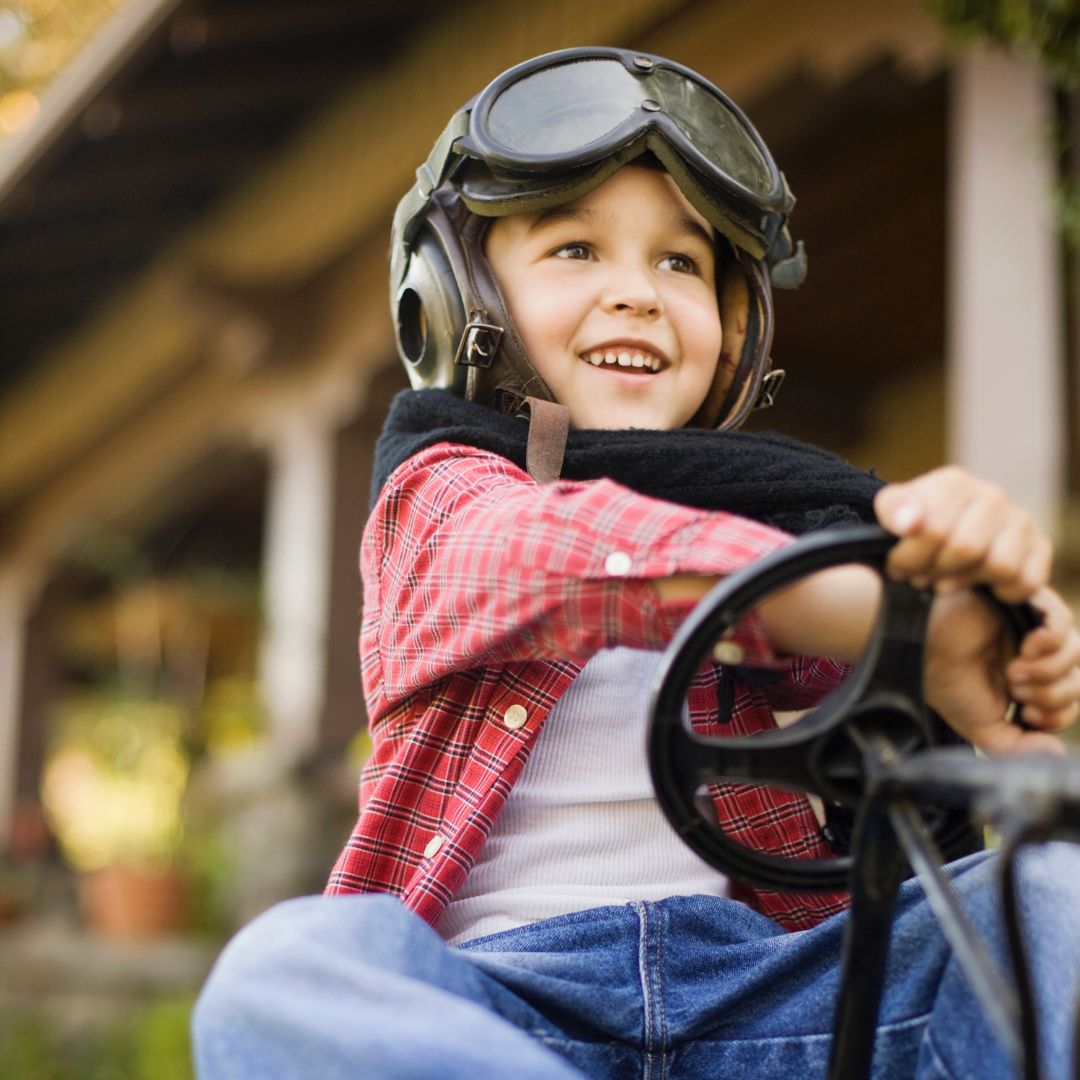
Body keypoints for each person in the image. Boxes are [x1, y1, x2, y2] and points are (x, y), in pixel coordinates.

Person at [192, 48, 1080, 1078]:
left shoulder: (791, 537)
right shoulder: (436, 499)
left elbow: (878, 671)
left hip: (761, 1002)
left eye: (681, 263)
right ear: (453, 302)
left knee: (1053, 890)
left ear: (737, 330)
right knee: (280, 970)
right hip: (500, 1007)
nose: (639, 295)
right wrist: (875, 607)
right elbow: (558, 556)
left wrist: (981, 636)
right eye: (576, 250)